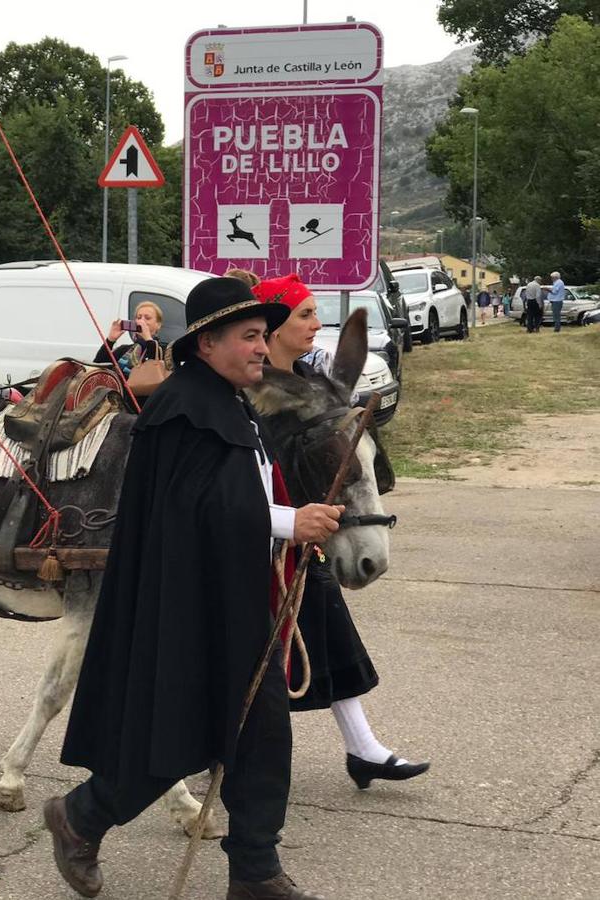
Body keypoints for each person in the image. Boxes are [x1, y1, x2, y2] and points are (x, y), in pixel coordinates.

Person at [46, 277, 341, 900]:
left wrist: (289, 523)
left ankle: (255, 871)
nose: (263, 349)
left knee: (260, 731)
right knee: (180, 730)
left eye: (265, 336)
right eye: (250, 337)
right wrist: (292, 522)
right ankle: (80, 817)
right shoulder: (184, 411)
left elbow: (237, 498)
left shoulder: (229, 402)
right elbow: (204, 512)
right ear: (206, 343)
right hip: (189, 607)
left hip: (233, 598)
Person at [253, 273, 430, 789]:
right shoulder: (250, 390)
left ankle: (363, 748)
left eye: (315, 313)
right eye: (304, 314)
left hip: (301, 536)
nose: (315, 324)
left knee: (327, 624)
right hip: (256, 536)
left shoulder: (314, 383)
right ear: (275, 325)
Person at [93, 300, 167, 377]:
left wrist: (148, 339)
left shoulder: (163, 350)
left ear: (158, 325)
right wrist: (110, 340)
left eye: (147, 318)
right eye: (139, 317)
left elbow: (154, 365)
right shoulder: (124, 349)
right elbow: (98, 365)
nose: (141, 321)